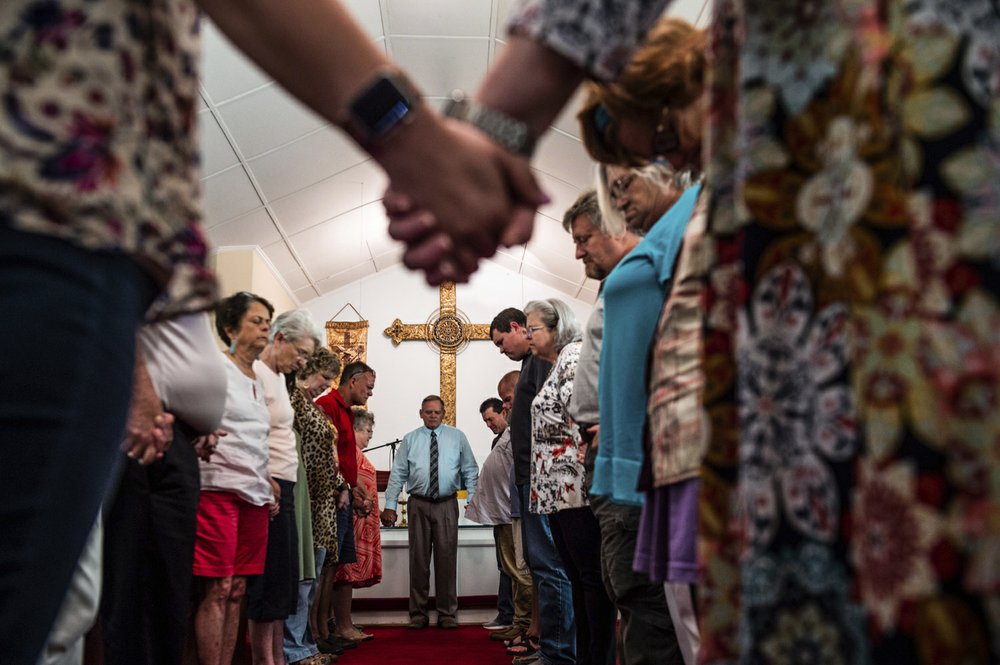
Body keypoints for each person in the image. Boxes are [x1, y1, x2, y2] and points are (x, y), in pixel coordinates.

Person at [101, 313, 228, 665]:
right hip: (144, 429)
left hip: (178, 435)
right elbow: (123, 308)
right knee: (137, 591)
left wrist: (200, 419)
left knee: (170, 591)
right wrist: (141, 398)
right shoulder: (148, 257)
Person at [525, 299, 617, 665]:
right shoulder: (555, 364)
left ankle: (598, 658)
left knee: (591, 580)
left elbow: (586, 417)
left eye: (532, 329)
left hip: (576, 489)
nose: (528, 335)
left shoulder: (573, 356)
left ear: (555, 327)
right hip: (559, 493)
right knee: (580, 579)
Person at [192, 292, 276, 665]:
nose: (264, 328)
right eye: (256, 321)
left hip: (254, 495)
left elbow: (255, 439)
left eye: (267, 323)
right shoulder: (214, 368)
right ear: (229, 328)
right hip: (217, 490)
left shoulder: (257, 379)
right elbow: (193, 421)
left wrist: (268, 480)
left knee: (238, 589)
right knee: (219, 588)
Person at [490, 308, 574, 665]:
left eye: (500, 342)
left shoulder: (539, 360)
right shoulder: (530, 364)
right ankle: (551, 647)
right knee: (541, 564)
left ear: (515, 327)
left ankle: (557, 652)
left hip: (540, 476)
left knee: (549, 565)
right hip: (529, 476)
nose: (500, 350)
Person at [248, 310, 322, 665]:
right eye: (301, 353)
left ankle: (278, 656)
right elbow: (250, 433)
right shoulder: (258, 374)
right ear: (279, 339)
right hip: (270, 486)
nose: (302, 362)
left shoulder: (279, 378)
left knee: (282, 585)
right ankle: (266, 659)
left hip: (286, 486)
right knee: (266, 588)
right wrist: (265, 482)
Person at [381, 395, 479, 629]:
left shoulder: (458, 437)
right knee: (418, 560)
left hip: (447, 503)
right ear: (421, 413)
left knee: (447, 558)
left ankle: (447, 613)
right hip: (418, 504)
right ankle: (418, 613)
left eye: (436, 411)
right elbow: (398, 474)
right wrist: (390, 505)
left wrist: (473, 501)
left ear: (443, 413)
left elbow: (470, 470)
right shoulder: (410, 439)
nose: (432, 415)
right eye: (428, 411)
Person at [286, 348, 349, 665]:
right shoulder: (294, 401)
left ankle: (306, 643)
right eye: (323, 378)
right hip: (306, 499)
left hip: (323, 502)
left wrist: (340, 486)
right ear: (309, 369)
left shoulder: (309, 406)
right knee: (301, 578)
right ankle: (294, 648)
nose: (324, 387)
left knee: (312, 579)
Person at [312, 361, 375, 653]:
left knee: (333, 566)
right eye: (369, 387)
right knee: (324, 565)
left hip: (343, 495)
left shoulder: (347, 412)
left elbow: (346, 458)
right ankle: (317, 631)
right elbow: (324, 455)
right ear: (353, 381)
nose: (370, 393)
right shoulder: (327, 404)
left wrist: (355, 488)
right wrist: (343, 487)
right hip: (328, 498)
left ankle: (325, 628)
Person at [466, 398, 533, 645]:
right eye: (485, 421)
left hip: (510, 511)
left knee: (519, 571)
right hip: (502, 514)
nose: (488, 424)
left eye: (490, 419)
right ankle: (518, 621)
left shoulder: (517, 433)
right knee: (510, 570)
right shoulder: (503, 438)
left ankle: (523, 624)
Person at [330, 407, 383, 643]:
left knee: (346, 576)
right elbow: (351, 484)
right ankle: (342, 624)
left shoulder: (356, 451)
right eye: (368, 430)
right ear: (354, 430)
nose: (371, 435)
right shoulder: (349, 451)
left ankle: (342, 621)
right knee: (344, 575)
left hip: (360, 521)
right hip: (352, 519)